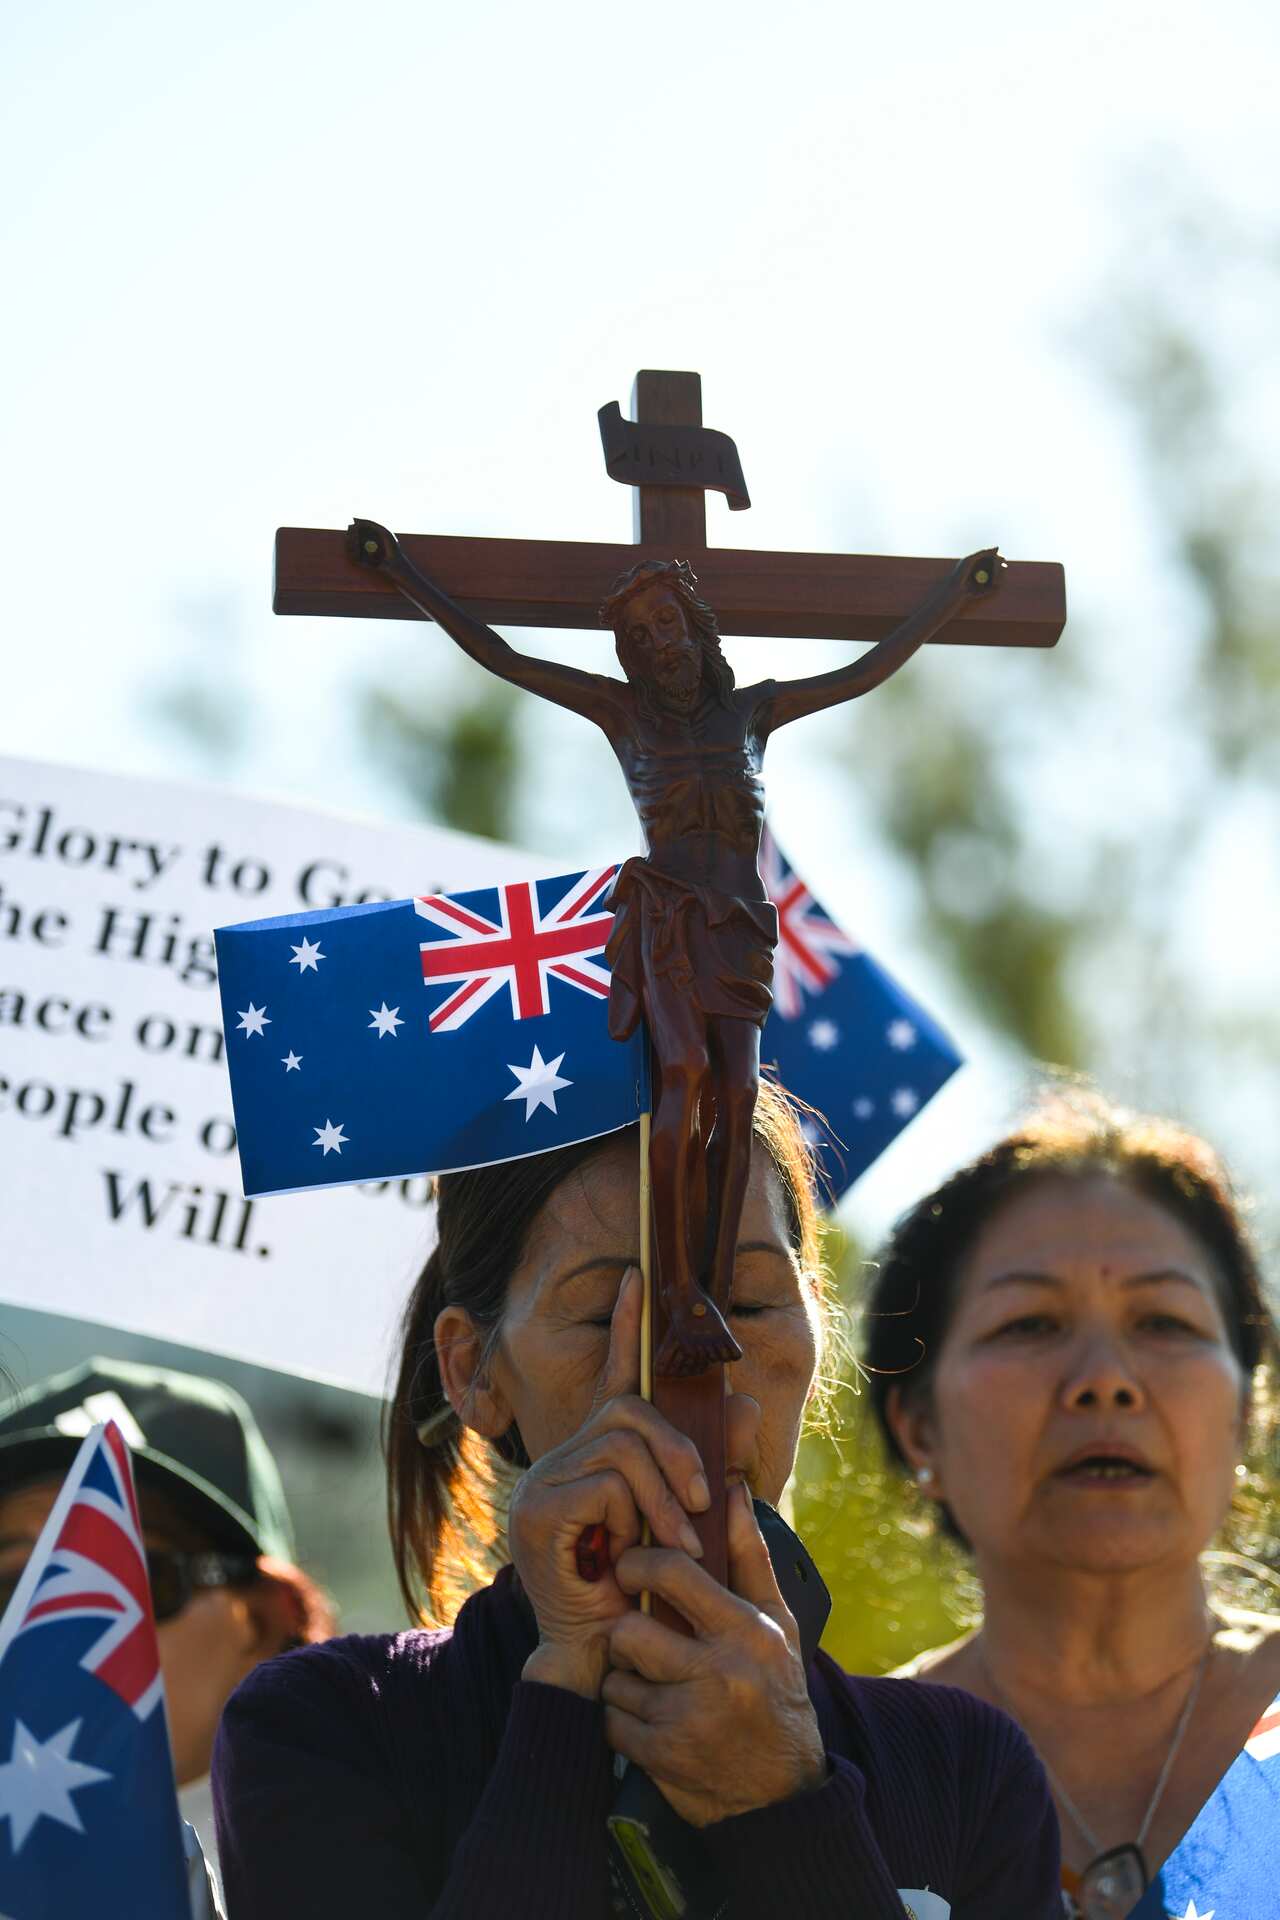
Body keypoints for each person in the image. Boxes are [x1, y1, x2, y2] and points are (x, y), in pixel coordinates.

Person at [214, 1083, 1062, 1918]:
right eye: (603, 1316)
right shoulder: (327, 1731)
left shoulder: (963, 1771)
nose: (690, 1370)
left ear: (816, 1335)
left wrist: (785, 1807)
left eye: (746, 1304)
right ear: (472, 1370)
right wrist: (562, 1698)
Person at [351, 518, 999, 1374]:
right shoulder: (624, 715)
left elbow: (861, 671)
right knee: (682, 1077)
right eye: (642, 634)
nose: (662, 645)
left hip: (738, 930)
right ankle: (675, 1286)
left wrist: (949, 599)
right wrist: (404, 575)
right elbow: (507, 659)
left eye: (670, 624)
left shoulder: (750, 712)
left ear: (698, 628)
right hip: (666, 927)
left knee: (735, 1097)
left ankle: (714, 1278)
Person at [862, 1085, 1280, 1918]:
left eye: (1164, 1321)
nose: (1106, 1383)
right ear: (919, 1428)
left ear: (1244, 1412)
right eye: (1030, 1324)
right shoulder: (853, 1775)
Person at [0, 1357, 336, 1916]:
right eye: (12, 1583)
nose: (59, 1627)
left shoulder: (395, 1860)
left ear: (263, 1619)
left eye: (118, 1573)